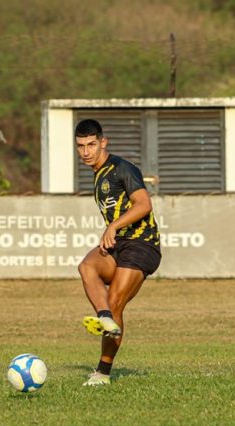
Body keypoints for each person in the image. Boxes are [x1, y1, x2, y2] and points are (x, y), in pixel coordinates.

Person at [74, 119, 161, 386]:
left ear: (103, 142)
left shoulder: (123, 168)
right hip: (119, 245)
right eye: (81, 146)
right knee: (87, 267)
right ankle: (104, 318)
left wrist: (114, 225)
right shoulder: (98, 173)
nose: (86, 151)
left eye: (91, 145)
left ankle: (102, 373)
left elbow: (144, 204)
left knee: (116, 301)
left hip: (142, 244)